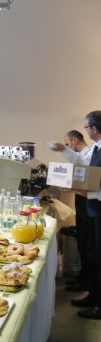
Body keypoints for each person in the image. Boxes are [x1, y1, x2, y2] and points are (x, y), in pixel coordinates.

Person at [49, 111, 101, 319]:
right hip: (93, 208)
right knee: (94, 254)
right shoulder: (97, 148)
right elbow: (82, 163)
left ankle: (98, 304)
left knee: (97, 256)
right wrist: (63, 150)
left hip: (98, 208)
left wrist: (83, 191)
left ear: (94, 129)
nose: (86, 131)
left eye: (87, 128)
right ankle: (93, 296)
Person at [63, 130, 93, 293]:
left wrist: (71, 188)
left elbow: (87, 184)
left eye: (68, 144)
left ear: (75, 141)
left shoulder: (88, 156)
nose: (67, 148)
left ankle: (86, 282)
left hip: (88, 205)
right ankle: (83, 278)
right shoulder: (84, 156)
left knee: (86, 245)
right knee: (82, 243)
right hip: (82, 203)